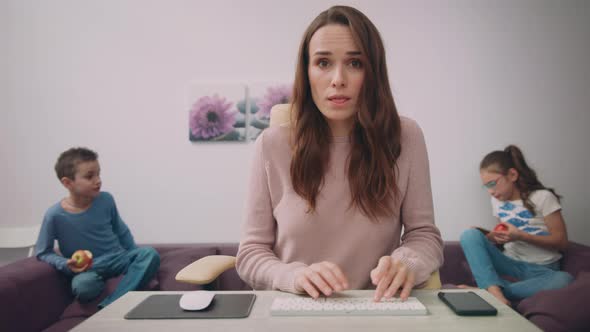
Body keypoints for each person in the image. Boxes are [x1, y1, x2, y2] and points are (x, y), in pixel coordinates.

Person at [236, 5, 443, 302]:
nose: (338, 79)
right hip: (294, 309)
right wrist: (293, 276)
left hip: (376, 309)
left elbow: (425, 236)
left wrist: (407, 263)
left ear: (373, 72)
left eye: (355, 63)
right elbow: (250, 255)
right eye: (323, 63)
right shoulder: (271, 145)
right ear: (307, 72)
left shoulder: (406, 137)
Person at [35, 147, 160, 308]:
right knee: (83, 287)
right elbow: (43, 252)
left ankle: (112, 305)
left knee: (149, 255)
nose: (98, 180)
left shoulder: (106, 200)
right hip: (89, 269)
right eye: (89, 176)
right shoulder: (54, 215)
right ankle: (125, 288)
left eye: (98, 174)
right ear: (67, 183)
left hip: (117, 258)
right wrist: (65, 263)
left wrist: (135, 256)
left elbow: (121, 231)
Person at [460, 145, 573, 305]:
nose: (490, 192)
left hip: (543, 269)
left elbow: (561, 242)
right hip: (511, 263)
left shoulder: (543, 197)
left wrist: (521, 236)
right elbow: (506, 237)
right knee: (469, 235)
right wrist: (494, 237)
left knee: (564, 279)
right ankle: (494, 291)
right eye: (486, 186)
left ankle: (488, 290)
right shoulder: (497, 201)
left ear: (512, 175)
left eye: (493, 184)